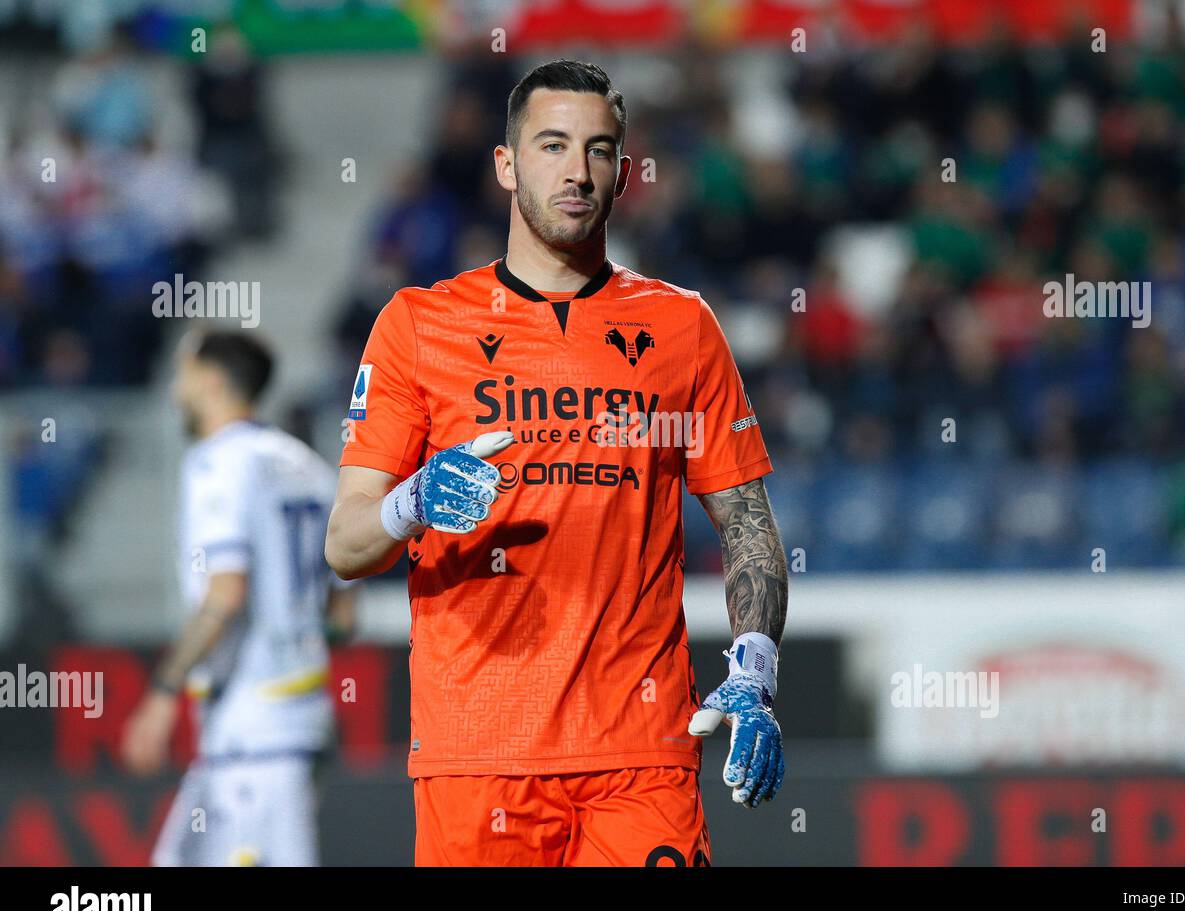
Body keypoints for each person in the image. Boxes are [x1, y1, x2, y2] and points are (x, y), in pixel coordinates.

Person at [325, 59, 787, 867]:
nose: (577, 170)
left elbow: (748, 528)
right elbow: (346, 543)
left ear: (621, 170)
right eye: (552, 145)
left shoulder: (683, 329)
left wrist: (755, 670)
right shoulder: (418, 327)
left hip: (641, 754)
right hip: (478, 758)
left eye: (599, 149)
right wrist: (415, 501)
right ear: (506, 164)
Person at [122, 329, 355, 866]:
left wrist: (161, 692)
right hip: (295, 718)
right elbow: (343, 614)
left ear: (211, 380)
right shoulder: (307, 466)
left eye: (183, 375)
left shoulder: (217, 464)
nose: (176, 390)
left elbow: (225, 593)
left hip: (257, 730)